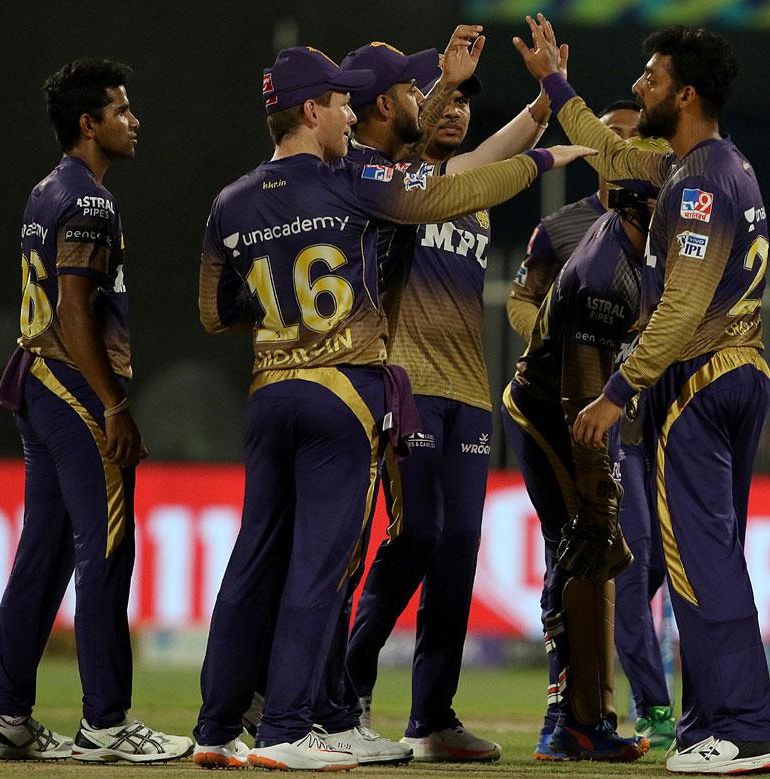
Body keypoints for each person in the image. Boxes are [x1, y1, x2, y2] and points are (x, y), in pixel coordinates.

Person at [192, 45, 591, 772]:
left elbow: (216, 312)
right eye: (338, 103)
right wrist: (545, 158)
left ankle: (217, 727)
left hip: (269, 386)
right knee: (323, 563)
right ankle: (289, 726)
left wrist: (285, 313)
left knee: (252, 561)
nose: (348, 111)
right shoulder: (352, 179)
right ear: (312, 112)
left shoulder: (232, 198)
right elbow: (436, 192)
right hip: (343, 388)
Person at [515, 16, 770, 775]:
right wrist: (553, 83)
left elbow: (682, 304)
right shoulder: (704, 165)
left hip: (702, 379)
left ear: (687, 94)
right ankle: (709, 723)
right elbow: (607, 149)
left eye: (652, 79)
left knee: (701, 560)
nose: (638, 87)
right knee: (709, 551)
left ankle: (746, 729)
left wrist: (615, 392)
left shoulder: (696, 184)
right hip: (735, 373)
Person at [324, 30, 550, 763]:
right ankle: (349, 693)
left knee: (457, 549)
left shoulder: (461, 185)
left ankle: (431, 717)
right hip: (408, 381)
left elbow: (514, 145)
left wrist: (553, 94)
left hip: (468, 391)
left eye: (462, 103)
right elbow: (408, 159)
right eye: (439, 99)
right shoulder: (389, 183)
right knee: (415, 532)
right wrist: (445, 86)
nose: (454, 113)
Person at [0, 58, 193, 765]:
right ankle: (107, 722)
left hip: (38, 383)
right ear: (88, 124)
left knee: (41, 556)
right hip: (74, 388)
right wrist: (113, 403)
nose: (134, 121)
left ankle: (8, 716)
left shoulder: (47, 191)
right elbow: (74, 309)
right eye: (122, 110)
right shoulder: (92, 202)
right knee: (106, 550)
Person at [508, 104, 677, 759]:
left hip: (579, 412)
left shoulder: (629, 246)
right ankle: (569, 722)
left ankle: (589, 720)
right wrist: (599, 485)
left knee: (596, 559)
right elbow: (582, 393)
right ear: (642, 209)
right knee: (581, 552)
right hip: (553, 414)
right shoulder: (606, 269)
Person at [506, 99, 640, 339]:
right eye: (613, 134)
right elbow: (523, 299)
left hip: (651, 373)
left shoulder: (671, 221)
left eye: (637, 135)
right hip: (582, 371)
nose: (624, 143)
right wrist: (547, 339)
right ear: (593, 145)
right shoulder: (558, 227)